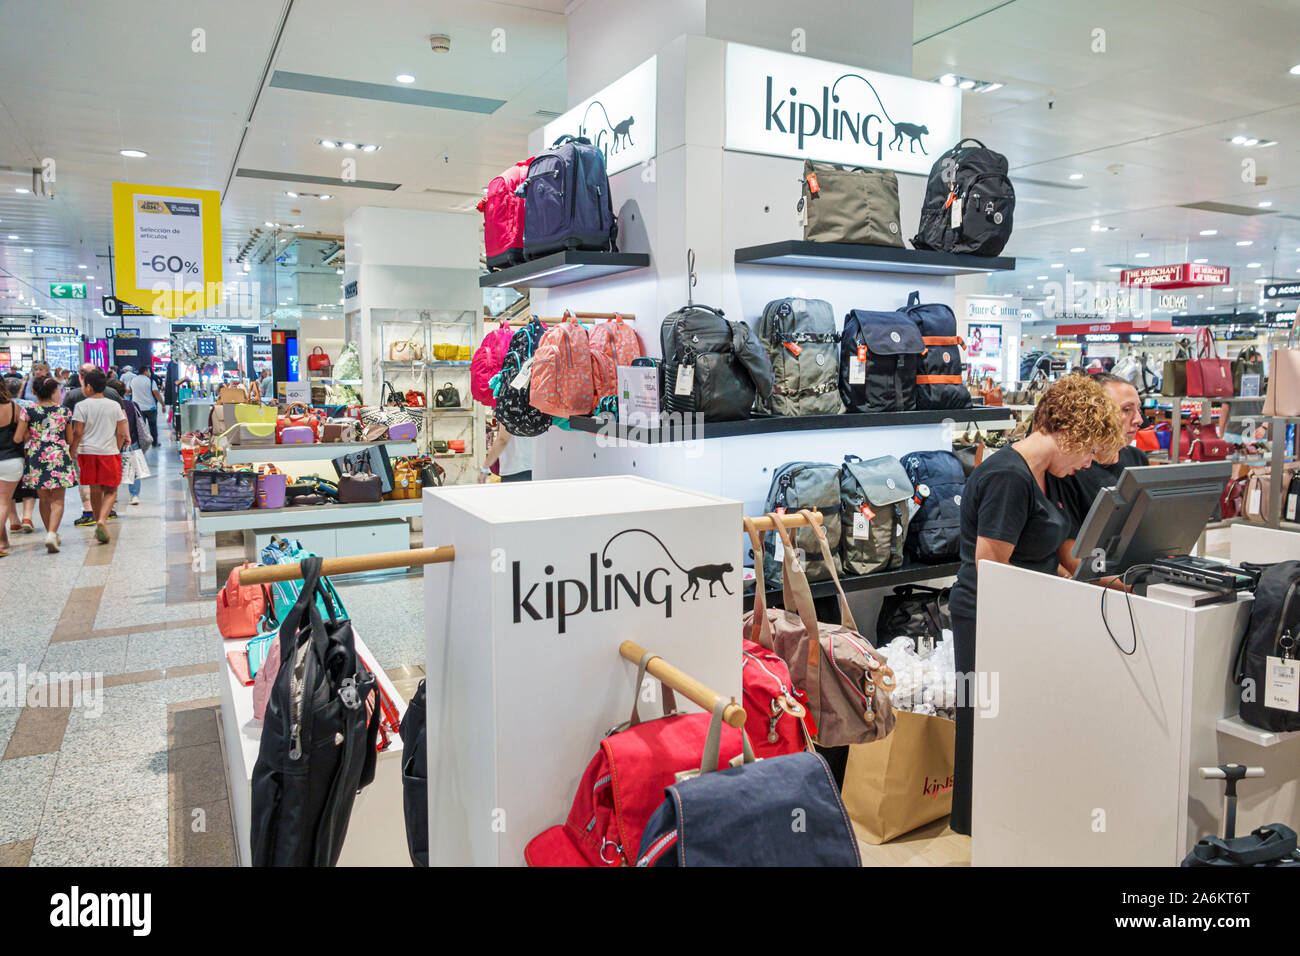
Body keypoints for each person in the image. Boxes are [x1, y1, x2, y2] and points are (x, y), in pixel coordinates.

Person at [946, 374, 1125, 836]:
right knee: (983, 724)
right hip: (988, 620)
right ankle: (979, 828)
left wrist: (1113, 578)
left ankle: (1013, 819)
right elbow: (991, 568)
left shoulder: (1052, 477)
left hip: (1029, 617)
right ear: (1073, 433)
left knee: (1019, 724)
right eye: (1088, 451)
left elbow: (1064, 549)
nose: (1088, 463)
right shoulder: (1009, 476)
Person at [1048, 373, 1149, 544]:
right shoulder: (1068, 469)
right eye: (1126, 410)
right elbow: (1067, 545)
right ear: (1096, 413)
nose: (1139, 420)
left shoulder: (1137, 459)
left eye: (1138, 409)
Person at [70, 369, 127, 545]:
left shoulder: (81, 406)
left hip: (87, 453)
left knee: (94, 489)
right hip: (109, 452)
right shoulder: (114, 405)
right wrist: (116, 449)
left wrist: (71, 452)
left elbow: (77, 432)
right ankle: (102, 519)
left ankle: (97, 520)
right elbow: (121, 433)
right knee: (111, 490)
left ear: (88, 386)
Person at [21, 376, 77, 553]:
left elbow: (22, 437)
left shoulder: (28, 411)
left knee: (43, 498)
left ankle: (49, 532)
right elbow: (69, 439)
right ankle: (52, 533)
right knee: (58, 499)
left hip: (36, 455)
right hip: (59, 455)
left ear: (35, 392)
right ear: (54, 392)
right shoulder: (64, 412)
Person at [0, 380, 29, 558]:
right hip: (11, 459)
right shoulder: (14, 407)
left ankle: (3, 541)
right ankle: (1, 541)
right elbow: (23, 436)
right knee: (4, 502)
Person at [127, 366, 162, 446]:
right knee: (153, 426)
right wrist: (162, 404)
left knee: (139, 427)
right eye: (149, 371)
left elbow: (128, 391)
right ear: (146, 371)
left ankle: (140, 443)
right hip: (150, 407)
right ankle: (154, 442)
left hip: (137, 407)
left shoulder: (133, 380)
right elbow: (156, 394)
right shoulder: (150, 381)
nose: (150, 373)